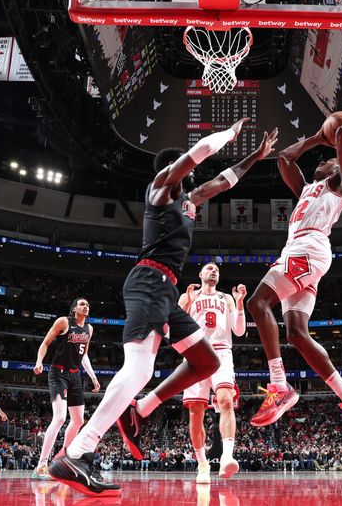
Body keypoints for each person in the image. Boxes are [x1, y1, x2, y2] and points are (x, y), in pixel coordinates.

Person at [50, 119, 278, 496]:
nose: (188, 175)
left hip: (166, 291)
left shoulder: (188, 202)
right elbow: (199, 154)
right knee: (139, 367)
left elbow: (224, 181)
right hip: (148, 281)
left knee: (208, 362)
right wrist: (230, 136)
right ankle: (77, 452)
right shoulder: (159, 190)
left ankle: (140, 409)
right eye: (183, 170)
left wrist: (255, 155)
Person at [245, 114, 342, 442]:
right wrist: (316, 137)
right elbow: (284, 158)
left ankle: (279, 386)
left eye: (331, 159)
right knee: (297, 335)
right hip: (301, 253)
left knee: (257, 303)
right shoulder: (306, 189)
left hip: (308, 249)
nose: (326, 159)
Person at [178, 263, 247, 482]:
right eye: (209, 268)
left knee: (225, 400)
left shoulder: (226, 297)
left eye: (216, 269)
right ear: (200, 274)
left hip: (221, 352)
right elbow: (173, 330)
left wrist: (239, 303)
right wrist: (186, 306)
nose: (213, 271)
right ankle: (202, 464)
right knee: (195, 412)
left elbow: (239, 330)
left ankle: (227, 457)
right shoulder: (187, 296)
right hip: (195, 353)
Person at [32, 298, 101, 479]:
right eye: (82, 304)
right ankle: (41, 465)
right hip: (58, 374)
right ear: (74, 308)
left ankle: (62, 459)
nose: (86, 307)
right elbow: (45, 343)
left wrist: (93, 377)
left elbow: (84, 355)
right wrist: (39, 361)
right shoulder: (64, 322)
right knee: (60, 417)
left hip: (75, 375)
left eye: (88, 305)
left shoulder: (89, 329)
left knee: (78, 421)